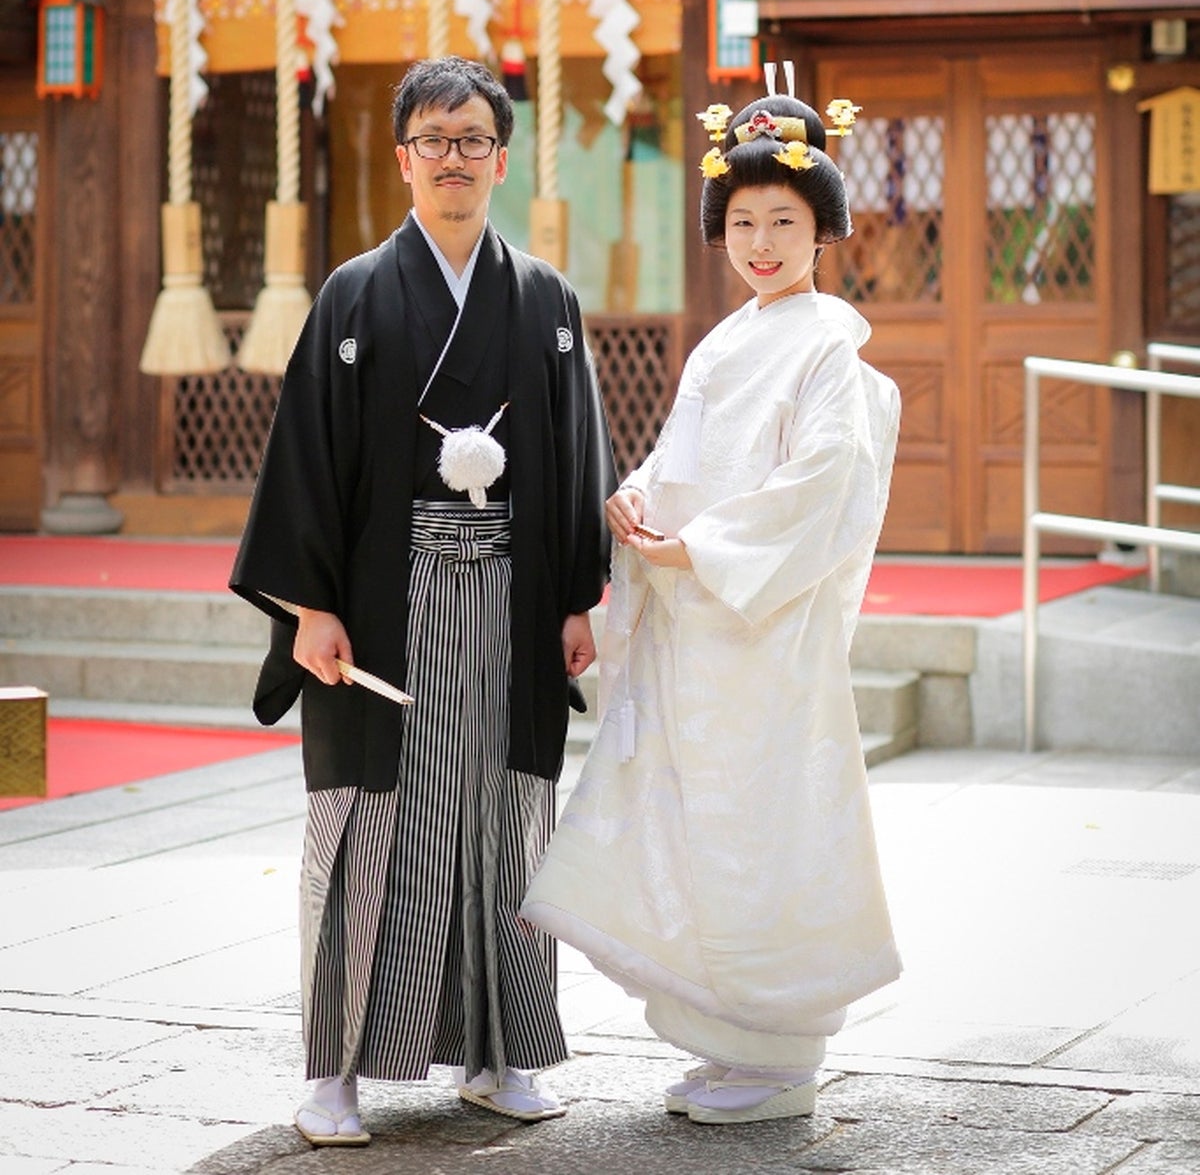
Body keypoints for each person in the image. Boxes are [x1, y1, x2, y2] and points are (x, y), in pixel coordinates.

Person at [230, 55, 615, 1147]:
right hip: (381, 599)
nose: (455, 157)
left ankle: (502, 1055)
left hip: (507, 594)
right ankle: (335, 1071)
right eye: (435, 139)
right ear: (404, 158)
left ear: (502, 159)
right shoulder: (354, 292)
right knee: (367, 826)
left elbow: (579, 450)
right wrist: (307, 603)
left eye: (474, 139)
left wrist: (579, 595)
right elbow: (304, 454)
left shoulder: (544, 298)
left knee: (504, 820)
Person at [523, 80, 901, 1126]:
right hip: (701, 625)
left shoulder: (828, 342)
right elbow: (683, 457)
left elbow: (819, 482)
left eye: (785, 220)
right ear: (720, 231)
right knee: (701, 822)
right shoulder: (729, 339)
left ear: (822, 225)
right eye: (744, 223)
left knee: (767, 822)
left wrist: (705, 547)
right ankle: (729, 1036)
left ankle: (782, 1054)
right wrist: (642, 500)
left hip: (766, 632)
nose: (764, 242)